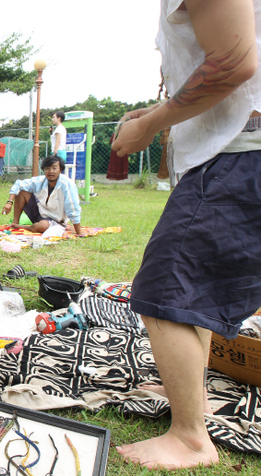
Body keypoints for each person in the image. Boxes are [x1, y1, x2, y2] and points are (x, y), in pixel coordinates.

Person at [112, 0, 260, 471]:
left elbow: (235, 63)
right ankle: (194, 398)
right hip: (238, 151)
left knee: (164, 290)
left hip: (238, 154)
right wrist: (158, 110)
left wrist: (151, 126)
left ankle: (191, 438)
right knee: (196, 293)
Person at [2, 155, 82, 234]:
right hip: (40, 213)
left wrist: (79, 233)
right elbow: (19, 184)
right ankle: (15, 223)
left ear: (60, 169)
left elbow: (73, 208)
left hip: (56, 221)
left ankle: (22, 227)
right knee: (22, 192)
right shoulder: (41, 180)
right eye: (47, 168)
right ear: (44, 170)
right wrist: (9, 202)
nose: (51, 171)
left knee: (42, 225)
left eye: (54, 168)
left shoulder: (67, 184)